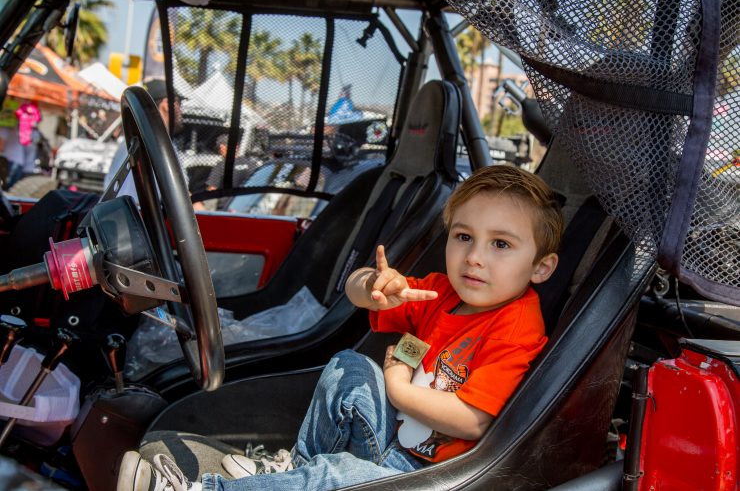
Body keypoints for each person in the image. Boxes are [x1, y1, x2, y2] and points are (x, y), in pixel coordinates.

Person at [116, 164, 564, 491]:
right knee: (349, 366)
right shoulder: (441, 292)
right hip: (393, 441)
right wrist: (370, 286)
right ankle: (295, 474)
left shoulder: (515, 327)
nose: (474, 257)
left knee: (338, 478)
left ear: (541, 268)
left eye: (501, 244)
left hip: (427, 476)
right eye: (464, 237)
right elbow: (359, 293)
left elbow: (473, 422)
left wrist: (398, 388)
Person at [104, 78, 185, 202]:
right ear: (166, 104)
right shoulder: (155, 145)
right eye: (178, 103)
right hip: (134, 218)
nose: (181, 110)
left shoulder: (137, 140)